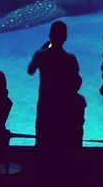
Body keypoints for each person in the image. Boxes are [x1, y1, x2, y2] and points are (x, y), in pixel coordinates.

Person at [27, 20, 83, 154]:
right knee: (61, 142)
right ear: (65, 37)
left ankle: (41, 172)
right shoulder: (71, 58)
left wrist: (42, 49)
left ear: (50, 35)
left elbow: (30, 71)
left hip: (45, 105)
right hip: (63, 106)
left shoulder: (40, 54)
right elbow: (77, 82)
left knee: (43, 141)